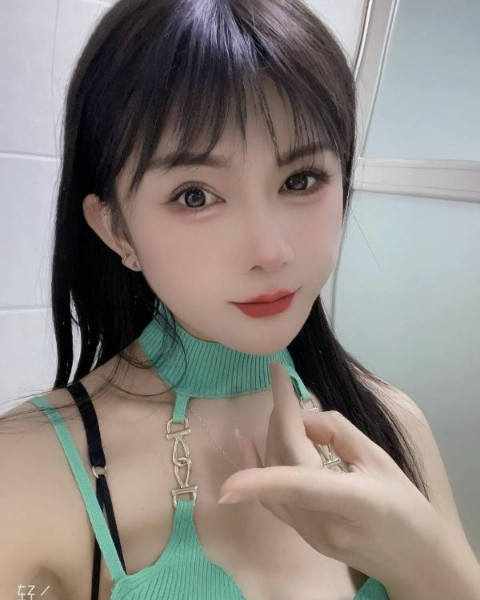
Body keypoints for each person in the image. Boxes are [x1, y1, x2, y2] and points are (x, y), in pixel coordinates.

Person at [3, 0, 461, 599]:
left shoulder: (393, 422)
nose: (270, 251)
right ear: (116, 229)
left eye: (300, 180)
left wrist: (422, 558)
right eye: (195, 195)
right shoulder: (26, 466)